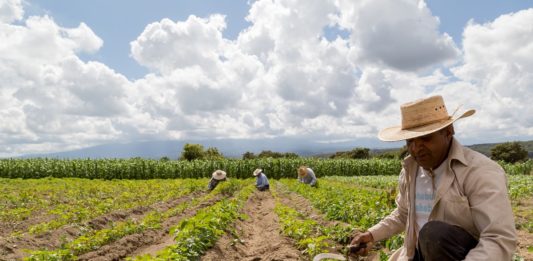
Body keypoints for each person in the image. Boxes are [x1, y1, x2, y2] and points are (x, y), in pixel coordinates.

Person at [351, 95, 516, 260]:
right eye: (410, 141)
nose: (416, 148)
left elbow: (498, 238)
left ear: (448, 132)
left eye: (425, 138)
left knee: (435, 234)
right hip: (419, 254)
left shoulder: (479, 171)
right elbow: (403, 214)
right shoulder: (410, 171)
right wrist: (372, 235)